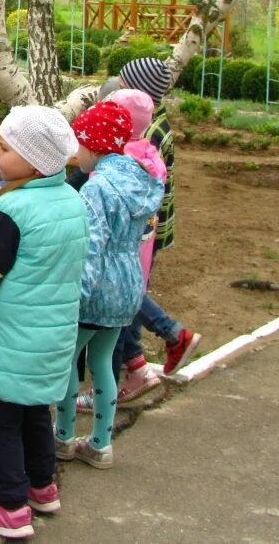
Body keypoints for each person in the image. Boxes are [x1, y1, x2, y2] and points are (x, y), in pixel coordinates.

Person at [0, 105, 89, 538]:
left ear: (34, 160)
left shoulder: (13, 211)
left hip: (10, 338)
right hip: (51, 335)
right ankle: (41, 487)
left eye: (6, 148)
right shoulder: (71, 199)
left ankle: (9, 504)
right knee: (34, 413)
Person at [55, 101, 164, 471]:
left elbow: (91, 247)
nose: (76, 155)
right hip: (128, 283)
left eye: (79, 146)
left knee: (70, 360)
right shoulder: (140, 177)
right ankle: (100, 443)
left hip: (97, 289)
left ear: (94, 145)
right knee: (103, 362)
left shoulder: (96, 188)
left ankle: (63, 435)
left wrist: (76, 295)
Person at [115, 58, 201, 389]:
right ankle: (136, 364)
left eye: (122, 86)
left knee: (126, 292)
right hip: (152, 226)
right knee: (129, 291)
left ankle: (172, 334)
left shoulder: (144, 132)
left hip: (140, 232)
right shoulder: (157, 122)